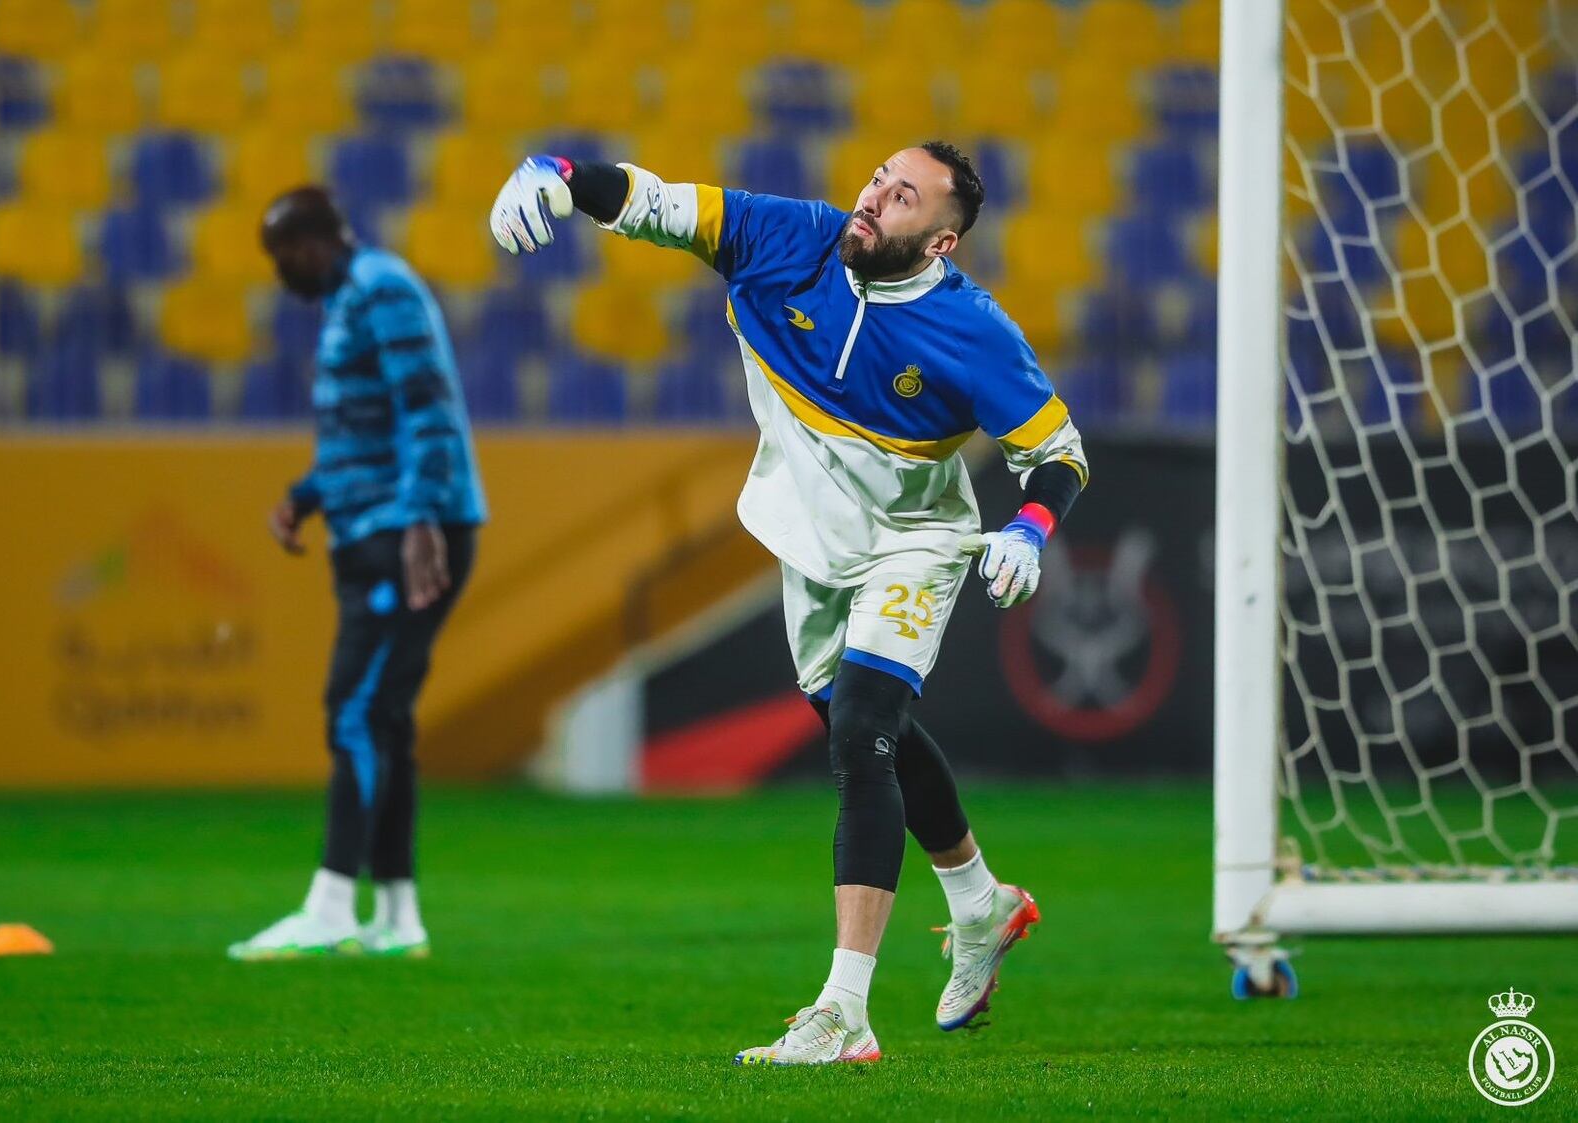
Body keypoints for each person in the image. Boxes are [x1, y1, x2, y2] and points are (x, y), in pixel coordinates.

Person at [489, 142, 1087, 1062]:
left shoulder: (972, 331)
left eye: (902, 199)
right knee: (864, 728)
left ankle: (844, 1011)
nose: (873, 199)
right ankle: (980, 903)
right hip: (808, 539)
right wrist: (557, 176)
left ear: (938, 243)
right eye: (878, 181)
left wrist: (1029, 527)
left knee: (859, 732)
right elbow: (649, 201)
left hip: (912, 541)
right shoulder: (787, 236)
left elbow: (1059, 453)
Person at [228, 186, 487, 961]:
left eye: (284, 258)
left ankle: (332, 901)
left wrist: (417, 520)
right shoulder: (352, 298)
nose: (282, 276)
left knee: (355, 707)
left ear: (316, 241)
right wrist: (306, 495)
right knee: (383, 720)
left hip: (403, 532)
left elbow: (428, 407)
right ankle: (397, 916)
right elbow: (364, 427)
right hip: (375, 522)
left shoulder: (381, 288)